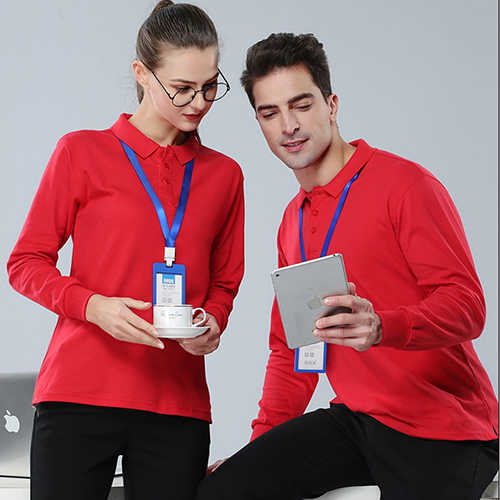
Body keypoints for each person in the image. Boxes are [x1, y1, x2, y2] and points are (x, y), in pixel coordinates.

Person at [196, 33, 498, 500]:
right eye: (270, 113)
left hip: (444, 428)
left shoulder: (404, 186)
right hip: (359, 420)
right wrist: (261, 447)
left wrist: (384, 326)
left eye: (301, 105)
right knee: (223, 491)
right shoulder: (292, 223)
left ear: (331, 105)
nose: (288, 126)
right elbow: (294, 350)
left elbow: (468, 307)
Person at [7, 2, 244, 499]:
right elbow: (25, 263)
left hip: (176, 405)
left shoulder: (225, 175)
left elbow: (225, 281)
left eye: (209, 86)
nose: (199, 102)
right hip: (78, 394)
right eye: (182, 88)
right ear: (142, 73)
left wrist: (213, 322)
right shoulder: (80, 152)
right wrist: (94, 306)